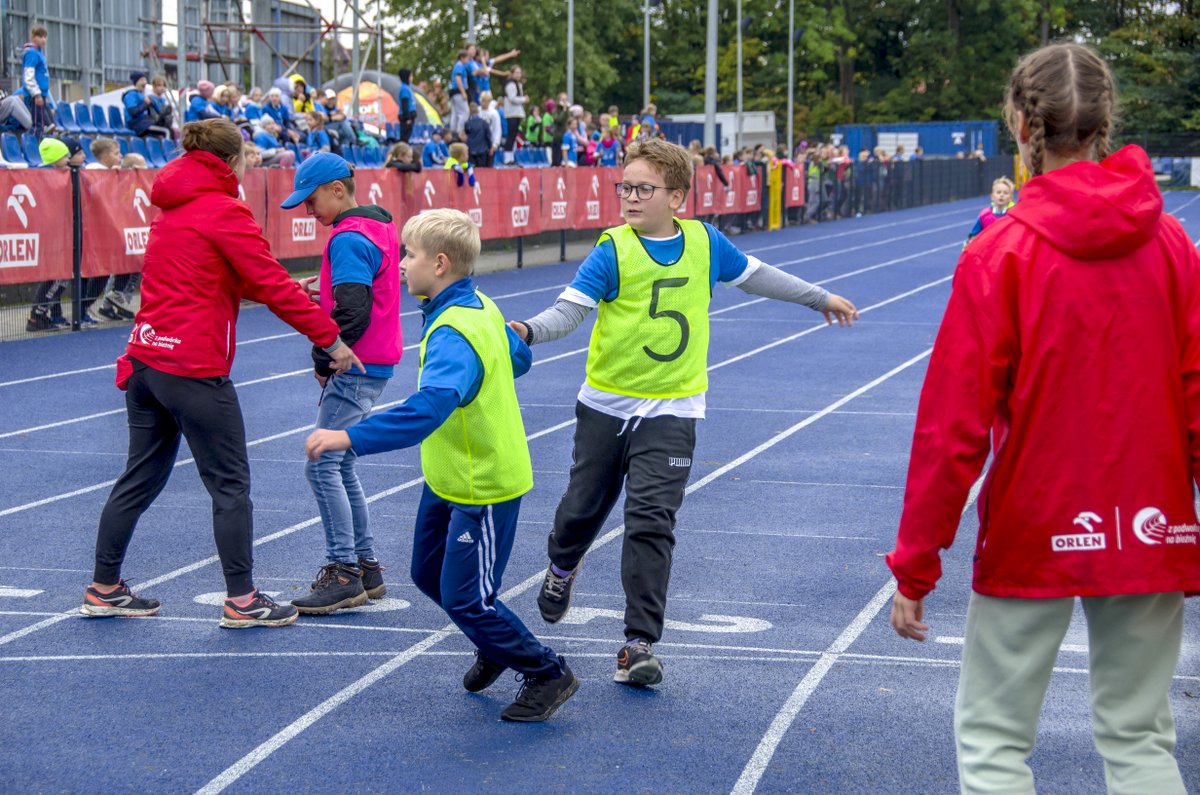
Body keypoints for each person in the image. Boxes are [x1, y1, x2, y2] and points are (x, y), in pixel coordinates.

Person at [886, 42, 1200, 795]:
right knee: (1140, 738)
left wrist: (916, 562)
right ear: (1102, 124)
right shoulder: (1172, 244)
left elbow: (950, 426)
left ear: (1021, 127)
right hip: (1151, 523)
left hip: (1037, 520)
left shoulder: (1001, 252)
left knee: (994, 743)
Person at [507, 140, 858, 685]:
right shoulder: (612, 250)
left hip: (674, 409)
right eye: (624, 186)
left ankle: (638, 643)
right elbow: (569, 311)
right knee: (580, 511)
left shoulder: (704, 242)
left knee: (651, 522)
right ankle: (560, 567)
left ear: (676, 196)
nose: (629, 197)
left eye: (643, 188)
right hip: (606, 406)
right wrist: (528, 329)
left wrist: (819, 297)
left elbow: (761, 276)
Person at [79, 117, 364, 629]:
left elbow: (215, 277)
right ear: (231, 162)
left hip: (146, 359)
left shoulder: (172, 205)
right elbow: (268, 280)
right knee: (230, 486)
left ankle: (103, 587)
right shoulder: (224, 209)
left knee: (138, 478)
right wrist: (331, 339)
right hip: (193, 368)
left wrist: (288, 291)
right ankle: (243, 599)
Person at [305, 208, 579, 722]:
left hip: (485, 484)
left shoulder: (455, 328)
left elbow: (428, 409)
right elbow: (519, 358)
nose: (401, 264)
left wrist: (349, 435)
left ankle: (546, 671)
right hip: (449, 475)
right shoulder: (474, 305)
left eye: (408, 255)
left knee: (469, 598)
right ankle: (496, 647)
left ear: (441, 263)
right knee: (427, 573)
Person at [277, 153, 403, 614]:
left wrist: (323, 356)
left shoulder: (347, 238)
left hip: (355, 363)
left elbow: (351, 311)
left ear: (336, 188)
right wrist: (325, 288)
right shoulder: (378, 225)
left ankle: (344, 571)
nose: (309, 214)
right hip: (377, 361)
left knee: (321, 463)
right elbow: (362, 290)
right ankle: (365, 567)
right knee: (342, 463)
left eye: (311, 202)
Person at [26, 138, 86, 332]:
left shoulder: (61, 175)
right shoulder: (49, 177)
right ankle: (37, 317)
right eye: (65, 155)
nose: (69, 158)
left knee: (59, 276)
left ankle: (41, 315)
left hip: (61, 232)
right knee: (57, 277)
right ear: (55, 158)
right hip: (54, 234)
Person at [17, 26, 50, 139]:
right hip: (36, 95)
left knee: (42, 125)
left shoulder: (39, 53)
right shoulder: (32, 54)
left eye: (45, 37)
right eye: (40, 36)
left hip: (41, 94)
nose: (43, 39)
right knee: (37, 126)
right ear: (33, 37)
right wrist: (36, 94)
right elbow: (29, 76)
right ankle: (33, 149)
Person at [964, 176, 1015, 247]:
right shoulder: (984, 215)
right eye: (998, 192)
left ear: (1010, 198)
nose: (1001, 195)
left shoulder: (1014, 216)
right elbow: (974, 235)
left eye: (1005, 193)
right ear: (992, 196)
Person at [501, 66, 526, 157]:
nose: (519, 75)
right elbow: (512, 98)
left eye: (520, 73)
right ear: (512, 73)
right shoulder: (510, 84)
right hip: (511, 113)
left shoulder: (518, 84)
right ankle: (507, 157)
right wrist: (523, 99)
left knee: (514, 135)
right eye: (516, 73)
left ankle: (511, 156)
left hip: (517, 113)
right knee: (510, 135)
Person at [449, 50, 472, 138]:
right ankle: (460, 131)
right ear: (462, 58)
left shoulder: (458, 66)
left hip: (455, 93)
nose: (467, 60)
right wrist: (463, 92)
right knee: (465, 113)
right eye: (467, 58)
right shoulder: (459, 66)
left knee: (455, 113)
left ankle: (453, 130)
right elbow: (458, 79)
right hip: (458, 92)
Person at [463, 102, 491, 168]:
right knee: (482, 172)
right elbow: (488, 136)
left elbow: (466, 135)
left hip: (471, 150)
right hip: (483, 151)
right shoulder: (484, 123)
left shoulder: (467, 124)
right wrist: (490, 146)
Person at [397, 70, 417, 143]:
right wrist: (407, 118)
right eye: (411, 76)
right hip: (407, 117)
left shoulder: (407, 88)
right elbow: (404, 104)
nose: (412, 78)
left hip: (410, 115)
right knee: (404, 138)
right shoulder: (404, 89)